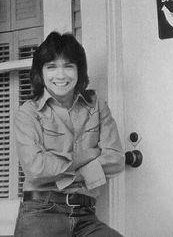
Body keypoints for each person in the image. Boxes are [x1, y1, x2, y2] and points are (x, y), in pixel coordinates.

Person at [14, 31, 125, 237]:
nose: (61, 75)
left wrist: (62, 174)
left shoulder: (97, 107)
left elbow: (116, 160)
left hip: (86, 215)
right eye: (51, 67)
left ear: (79, 70)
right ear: (41, 72)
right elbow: (36, 169)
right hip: (41, 212)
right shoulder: (28, 112)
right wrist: (91, 154)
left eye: (68, 66)